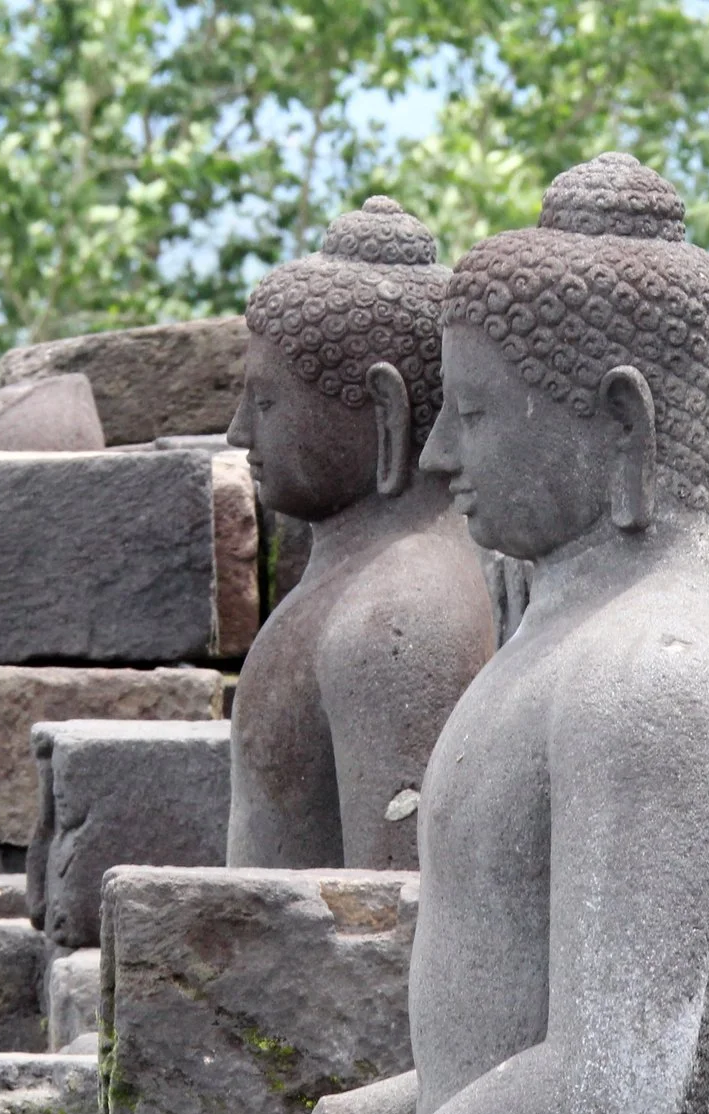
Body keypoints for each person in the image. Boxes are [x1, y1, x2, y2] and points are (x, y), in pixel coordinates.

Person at [282, 154, 709, 1114]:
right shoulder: (562, 629)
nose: (440, 454)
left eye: (478, 414)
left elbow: (616, 1086)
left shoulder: (648, 675)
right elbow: (508, 1034)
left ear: (619, 426)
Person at [226, 196, 496, 870]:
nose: (239, 433)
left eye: (265, 402)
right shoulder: (359, 583)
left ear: (386, 409)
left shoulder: (401, 618)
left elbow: (388, 920)